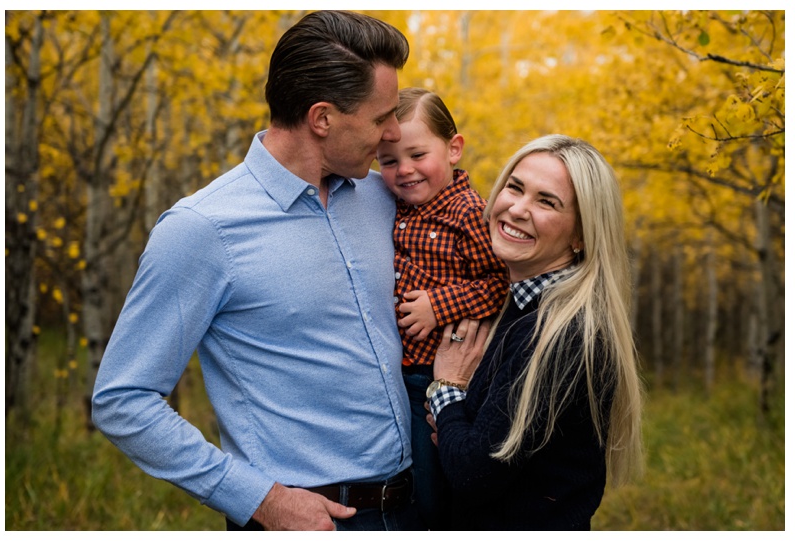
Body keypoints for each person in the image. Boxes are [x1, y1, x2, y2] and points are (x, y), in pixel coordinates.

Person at [92, 11, 425, 531]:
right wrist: (258, 498)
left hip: (416, 506)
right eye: (382, 116)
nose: (395, 132)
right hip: (302, 520)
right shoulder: (203, 229)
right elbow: (121, 400)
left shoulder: (384, 198)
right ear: (322, 118)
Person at [425, 134, 644, 530]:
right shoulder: (519, 306)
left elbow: (473, 474)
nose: (517, 209)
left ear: (581, 236)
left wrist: (447, 391)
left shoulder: (562, 333)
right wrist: (461, 430)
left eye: (547, 201)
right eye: (515, 187)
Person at [376, 87, 509, 529]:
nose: (404, 170)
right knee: (411, 481)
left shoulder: (470, 212)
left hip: (442, 376)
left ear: (453, 148)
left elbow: (499, 282)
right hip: (398, 373)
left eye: (417, 154)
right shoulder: (389, 208)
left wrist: (439, 303)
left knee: (439, 488)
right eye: (389, 160)